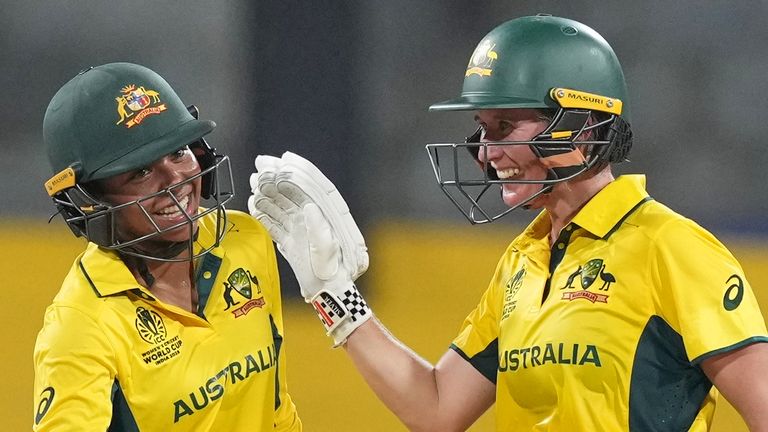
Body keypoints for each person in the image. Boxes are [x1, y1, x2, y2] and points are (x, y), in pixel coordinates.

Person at [249, 15, 768, 432]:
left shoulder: (673, 249)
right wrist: (333, 294)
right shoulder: (523, 260)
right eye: (481, 128)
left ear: (580, 127)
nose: (486, 152)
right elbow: (436, 409)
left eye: (503, 126)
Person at [34, 62, 302, 431]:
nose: (175, 178)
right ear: (87, 200)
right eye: (141, 171)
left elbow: (276, 409)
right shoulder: (82, 325)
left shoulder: (246, 240)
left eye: (178, 152)